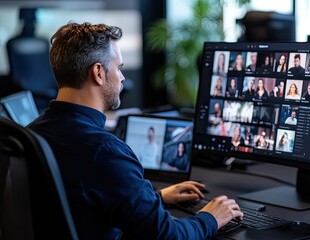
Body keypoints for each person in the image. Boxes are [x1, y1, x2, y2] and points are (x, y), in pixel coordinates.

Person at [27, 22, 243, 239]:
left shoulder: (30, 134)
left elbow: (81, 201)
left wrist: (155, 198)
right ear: (98, 73)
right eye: (119, 68)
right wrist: (211, 218)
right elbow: (168, 236)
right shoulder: (105, 151)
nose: (122, 77)